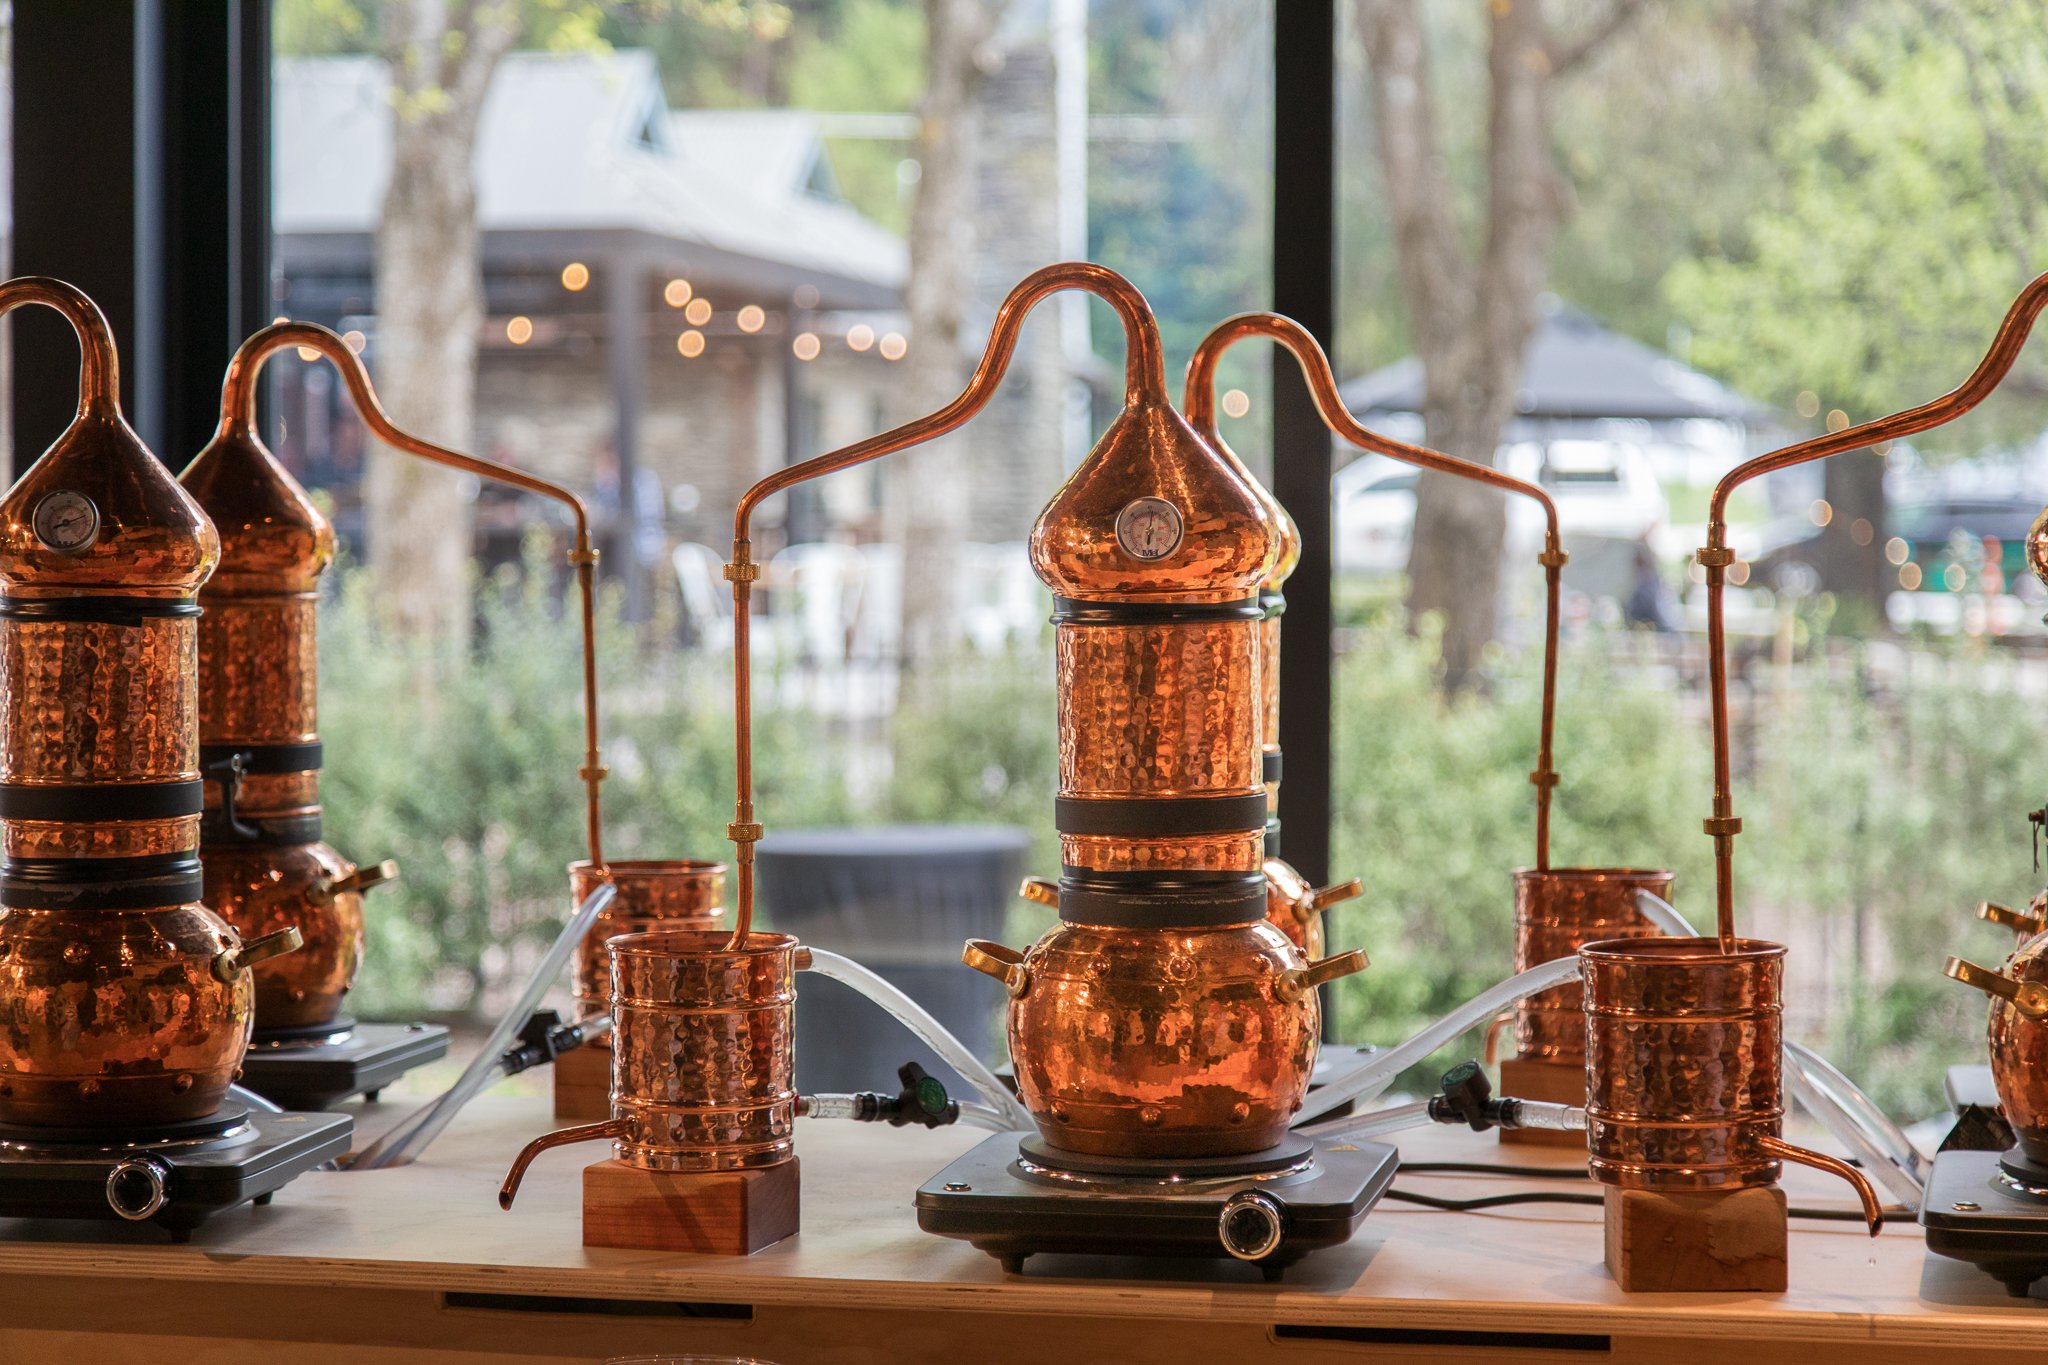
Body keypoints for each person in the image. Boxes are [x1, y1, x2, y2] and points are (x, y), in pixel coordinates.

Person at [1624, 539, 1680, 633]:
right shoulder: (1651, 585)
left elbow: (1656, 614)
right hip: (1658, 629)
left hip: (1659, 630)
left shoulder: (1648, 588)